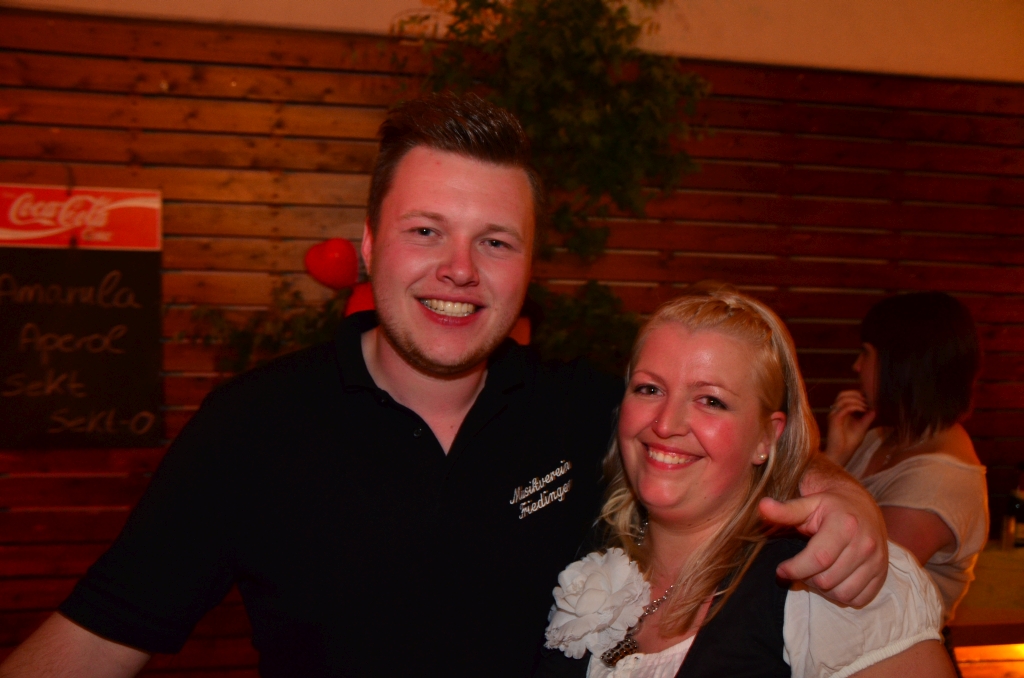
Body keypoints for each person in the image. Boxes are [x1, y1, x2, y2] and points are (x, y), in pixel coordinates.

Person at [1, 94, 888, 678]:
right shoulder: (254, 428)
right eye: (426, 231)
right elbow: (96, 637)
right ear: (368, 244)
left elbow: (723, 447)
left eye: (495, 242)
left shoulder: (584, 410)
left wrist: (844, 497)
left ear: (528, 266)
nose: (459, 270)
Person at [538, 287, 954, 677]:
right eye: (649, 389)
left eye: (711, 400)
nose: (665, 424)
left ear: (766, 438)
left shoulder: (824, 583)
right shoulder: (581, 535)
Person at [824, 292, 989, 625]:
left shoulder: (937, 481)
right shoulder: (880, 437)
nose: (856, 366)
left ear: (901, 366)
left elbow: (849, 585)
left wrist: (828, 465)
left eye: (866, 353)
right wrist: (835, 455)